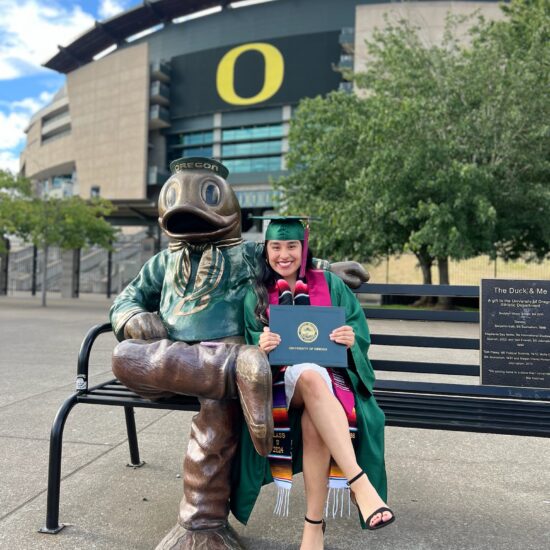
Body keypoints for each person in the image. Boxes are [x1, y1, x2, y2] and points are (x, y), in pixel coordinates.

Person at [230, 216, 394, 550]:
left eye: (292, 246)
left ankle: (313, 529)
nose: (284, 255)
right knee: (306, 374)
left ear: (304, 249)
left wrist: (351, 339)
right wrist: (258, 349)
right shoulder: (256, 295)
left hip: (329, 383)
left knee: (314, 403)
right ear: (267, 251)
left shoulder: (331, 285)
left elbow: (358, 331)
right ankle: (359, 482)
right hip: (278, 386)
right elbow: (246, 353)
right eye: (276, 247)